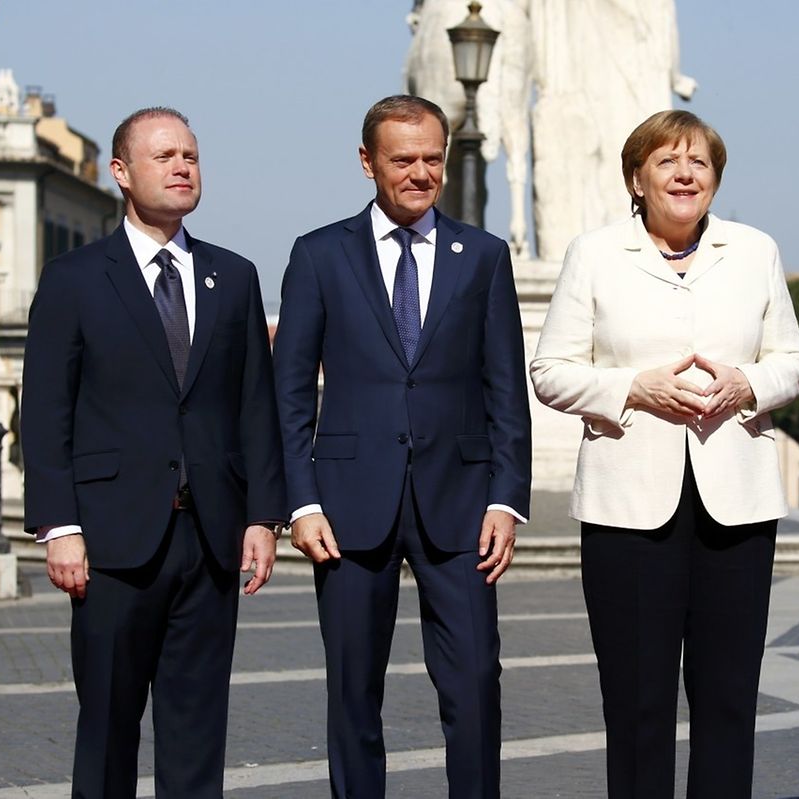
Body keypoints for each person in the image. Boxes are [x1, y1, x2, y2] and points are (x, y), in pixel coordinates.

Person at [530, 109, 799, 799]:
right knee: (636, 704)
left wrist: (748, 383)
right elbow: (551, 371)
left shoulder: (755, 251)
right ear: (637, 177)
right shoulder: (594, 255)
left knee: (727, 701)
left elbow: (794, 361)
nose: (685, 173)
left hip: (737, 505)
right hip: (628, 508)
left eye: (700, 163)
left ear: (715, 179)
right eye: (667, 161)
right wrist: (634, 387)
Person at [21, 107, 286, 798]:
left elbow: (253, 403)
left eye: (191, 156)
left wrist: (263, 515)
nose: (182, 167)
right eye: (165, 155)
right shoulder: (76, 278)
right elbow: (47, 409)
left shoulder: (233, 276)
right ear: (121, 172)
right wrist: (61, 526)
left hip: (210, 538)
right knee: (107, 726)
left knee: (198, 727)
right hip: (111, 541)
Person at [272, 94, 532, 799]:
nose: (420, 173)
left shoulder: (482, 257)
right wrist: (300, 500)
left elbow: (506, 386)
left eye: (432, 158)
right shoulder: (318, 255)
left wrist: (507, 498)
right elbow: (290, 390)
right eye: (403, 159)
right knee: (353, 691)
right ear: (367, 162)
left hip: (463, 503)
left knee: (477, 683)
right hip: (349, 508)